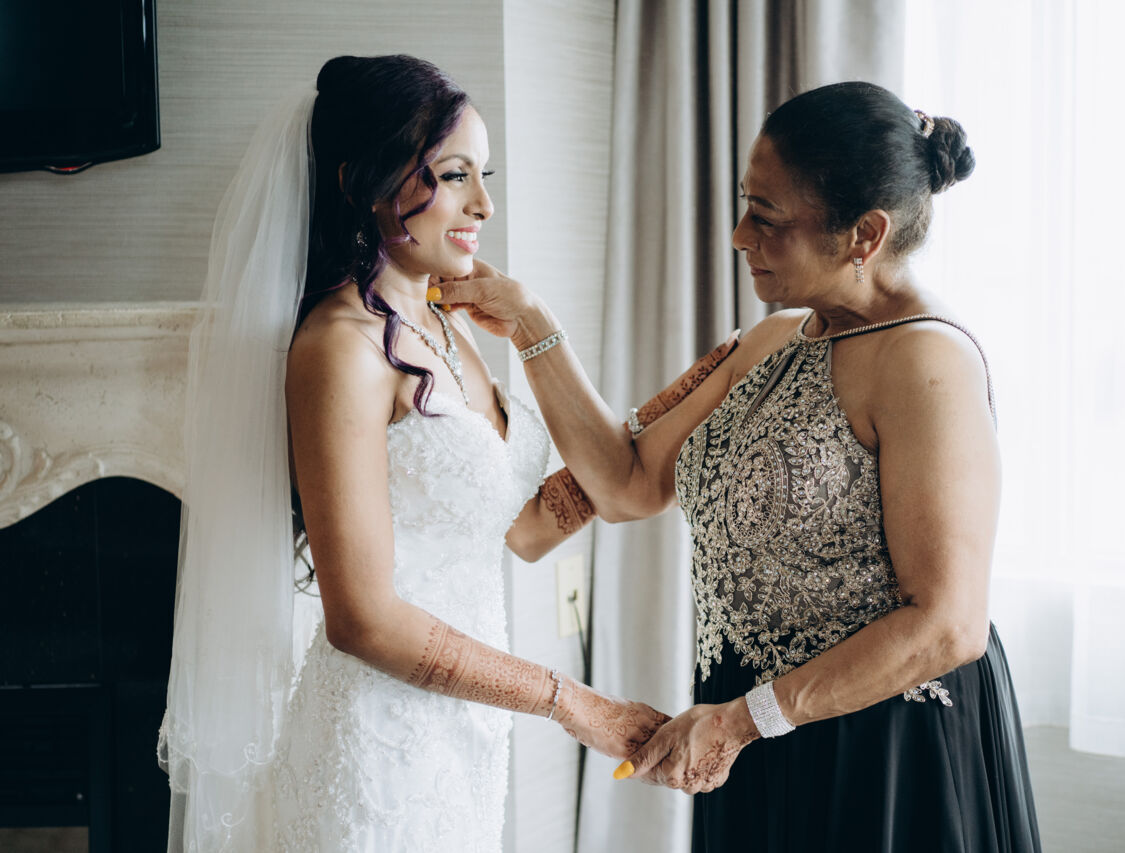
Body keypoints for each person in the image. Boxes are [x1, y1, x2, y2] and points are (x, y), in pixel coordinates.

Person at [436, 81, 1042, 852]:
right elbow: (626, 482)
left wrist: (742, 721)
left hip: (879, 749)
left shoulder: (929, 360)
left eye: (768, 218)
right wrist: (530, 324)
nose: (738, 235)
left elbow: (948, 624)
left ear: (864, 234)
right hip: (748, 730)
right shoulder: (771, 341)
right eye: (745, 204)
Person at [158, 55, 691, 852]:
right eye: (454, 175)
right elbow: (362, 618)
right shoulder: (340, 348)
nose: (484, 204)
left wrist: (674, 412)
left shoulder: (445, 326)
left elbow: (525, 528)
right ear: (364, 183)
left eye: (484, 174)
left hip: (463, 739)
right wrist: (572, 701)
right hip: (374, 749)